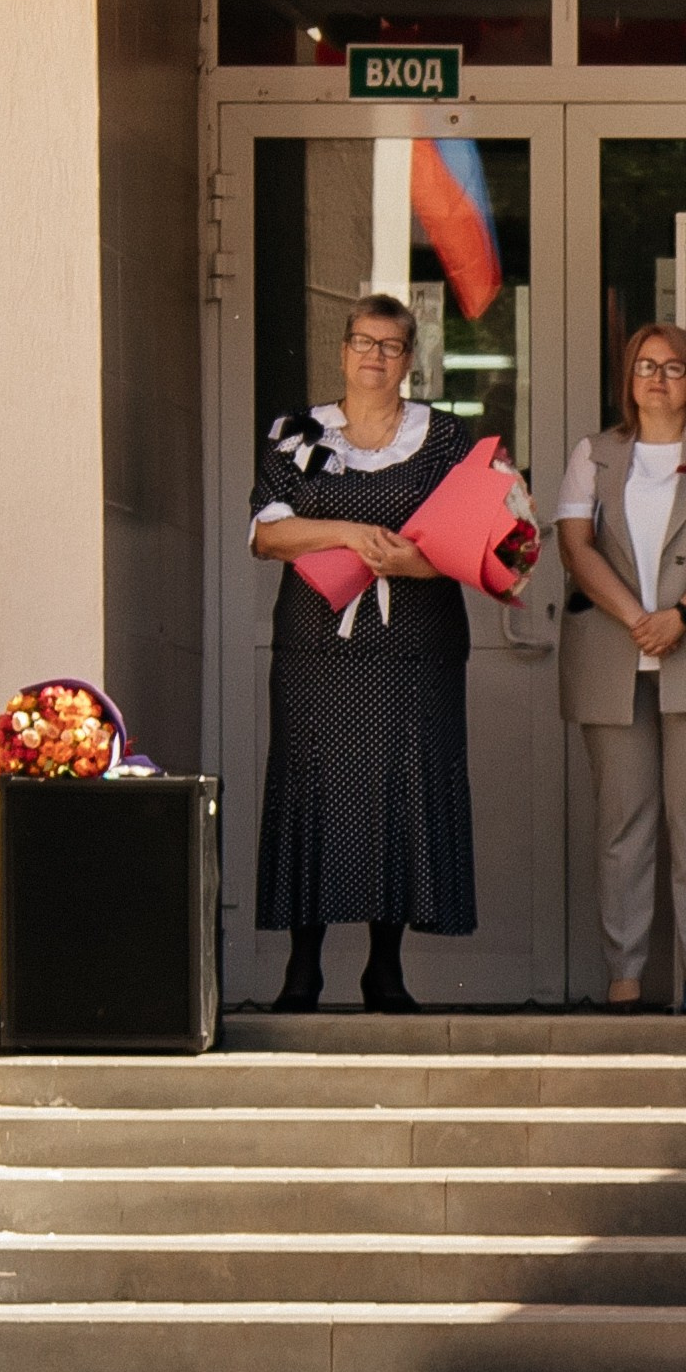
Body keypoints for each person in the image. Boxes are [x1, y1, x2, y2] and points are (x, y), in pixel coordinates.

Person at [248, 291, 476, 1013]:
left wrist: (418, 563)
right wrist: (348, 533)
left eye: (390, 345)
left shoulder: (446, 438)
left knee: (398, 794)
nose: (374, 356)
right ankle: (302, 970)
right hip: (319, 646)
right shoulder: (297, 431)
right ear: (343, 351)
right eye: (362, 342)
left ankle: (386, 969)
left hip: (415, 644)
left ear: (410, 359)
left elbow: (483, 539)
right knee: (314, 789)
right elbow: (266, 535)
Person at [556, 324, 686, 1012]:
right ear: (628, 378)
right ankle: (625, 977)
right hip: (612, 659)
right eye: (644, 366)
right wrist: (636, 618)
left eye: (672, 367)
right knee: (622, 824)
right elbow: (576, 548)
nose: (656, 378)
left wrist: (681, 616)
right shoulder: (595, 453)